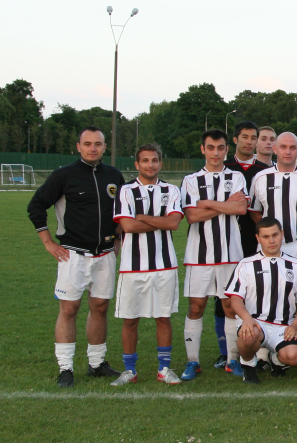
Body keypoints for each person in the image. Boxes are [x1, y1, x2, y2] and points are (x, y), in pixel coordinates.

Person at [27, 126, 125, 388]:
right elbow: (36, 205)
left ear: (105, 147)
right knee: (69, 308)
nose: (93, 148)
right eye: (88, 144)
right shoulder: (64, 175)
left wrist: (117, 237)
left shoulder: (114, 175)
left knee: (100, 307)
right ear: (79, 147)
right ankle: (65, 368)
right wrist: (48, 242)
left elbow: (123, 211)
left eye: (98, 144)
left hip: (105, 254)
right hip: (72, 254)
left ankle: (96, 363)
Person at [109, 143, 184, 386]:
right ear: (137, 164)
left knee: (163, 317)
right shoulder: (126, 191)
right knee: (130, 319)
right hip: (132, 267)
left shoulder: (171, 190)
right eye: (145, 160)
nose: (150, 165)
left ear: (160, 163)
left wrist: (142, 217)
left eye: (154, 160)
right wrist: (158, 220)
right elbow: (128, 226)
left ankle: (164, 369)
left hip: (165, 265)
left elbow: (173, 223)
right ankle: (129, 370)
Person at [180, 129, 249, 379]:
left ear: (226, 150)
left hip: (230, 254)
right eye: (210, 148)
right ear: (203, 149)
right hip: (198, 256)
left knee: (230, 306)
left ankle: (232, 360)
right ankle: (193, 362)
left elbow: (241, 209)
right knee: (196, 306)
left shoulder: (236, 177)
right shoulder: (191, 180)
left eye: (220, 148)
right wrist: (226, 204)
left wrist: (207, 203)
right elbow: (191, 216)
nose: (216, 153)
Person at [225, 217, 297, 383]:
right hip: (256, 323)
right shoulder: (246, 264)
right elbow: (235, 298)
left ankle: (275, 361)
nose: (271, 241)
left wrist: (296, 325)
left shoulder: (296, 265)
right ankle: (248, 367)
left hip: (283, 326)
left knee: (295, 357)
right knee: (248, 336)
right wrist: (247, 319)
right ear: (258, 238)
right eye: (266, 237)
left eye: (275, 235)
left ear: (282, 234)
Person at [223, 121, 270, 368]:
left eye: (253, 137)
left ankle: (259, 350)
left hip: (257, 239)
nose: (249, 142)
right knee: (224, 298)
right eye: (245, 137)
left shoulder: (265, 170)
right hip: (226, 239)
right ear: (235, 140)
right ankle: (226, 352)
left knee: (256, 293)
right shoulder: (224, 168)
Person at [248, 132, 297, 276]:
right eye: (283, 147)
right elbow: (254, 211)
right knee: (268, 286)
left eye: (292, 147)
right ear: (275, 149)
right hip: (268, 246)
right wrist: (267, 231)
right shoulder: (261, 178)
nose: (288, 151)